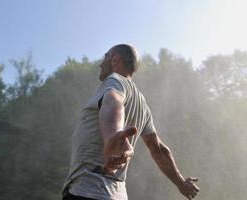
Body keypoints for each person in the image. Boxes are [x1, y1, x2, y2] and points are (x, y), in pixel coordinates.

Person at [61, 44, 200, 200]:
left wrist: (113, 137)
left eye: (105, 57)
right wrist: (181, 183)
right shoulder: (143, 105)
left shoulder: (114, 80)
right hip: (117, 195)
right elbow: (159, 149)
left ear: (115, 59)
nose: (101, 64)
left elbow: (113, 102)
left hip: (89, 190)